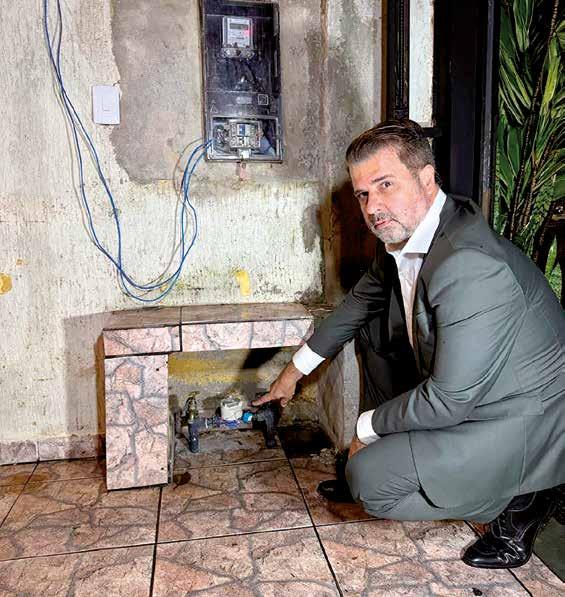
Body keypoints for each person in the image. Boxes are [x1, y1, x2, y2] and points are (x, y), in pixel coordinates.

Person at [253, 119, 565, 569]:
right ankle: (407, 459)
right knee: (372, 329)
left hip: (519, 418)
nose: (373, 207)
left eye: (385, 185)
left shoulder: (468, 263)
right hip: (470, 396)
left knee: (370, 481)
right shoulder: (410, 235)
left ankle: (522, 499)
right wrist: (290, 375)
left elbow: (448, 401)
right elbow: (354, 308)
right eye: (363, 194)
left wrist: (366, 428)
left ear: (426, 178)